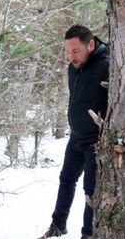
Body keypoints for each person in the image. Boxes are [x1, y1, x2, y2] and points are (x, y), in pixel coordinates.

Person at [39, 25, 109, 239]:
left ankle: (87, 234)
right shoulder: (75, 66)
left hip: (95, 141)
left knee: (91, 190)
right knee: (66, 180)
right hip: (76, 136)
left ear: (90, 44)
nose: (71, 57)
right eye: (68, 51)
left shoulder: (107, 65)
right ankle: (58, 225)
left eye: (75, 51)